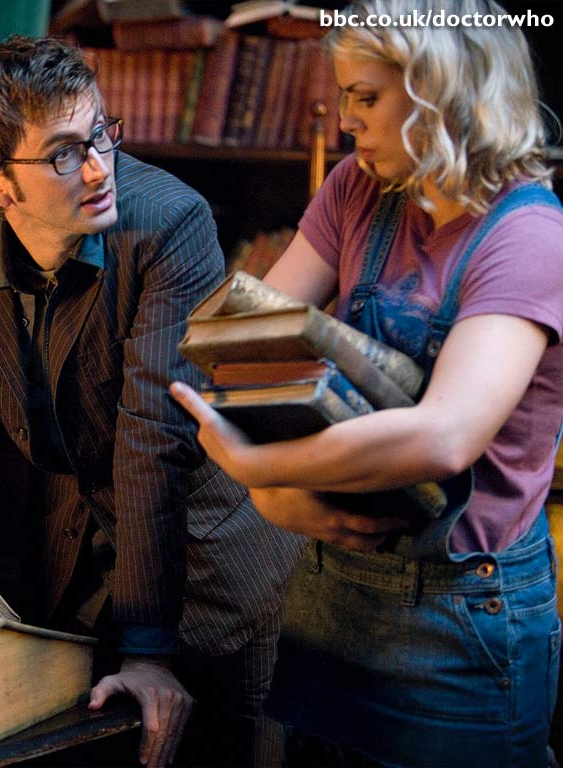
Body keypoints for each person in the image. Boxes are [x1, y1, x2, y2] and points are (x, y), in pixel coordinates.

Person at [0, 36, 303, 768]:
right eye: (65, 153)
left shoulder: (171, 221)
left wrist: (149, 650)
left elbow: (151, 440)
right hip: (67, 548)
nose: (100, 168)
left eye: (101, 133)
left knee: (214, 748)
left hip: (203, 554)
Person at [171, 1, 563, 764]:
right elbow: (242, 349)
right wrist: (273, 499)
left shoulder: (530, 235)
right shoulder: (356, 187)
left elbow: (444, 437)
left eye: (366, 97)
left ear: (444, 92)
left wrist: (260, 469)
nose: (346, 120)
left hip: (460, 615)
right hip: (331, 590)